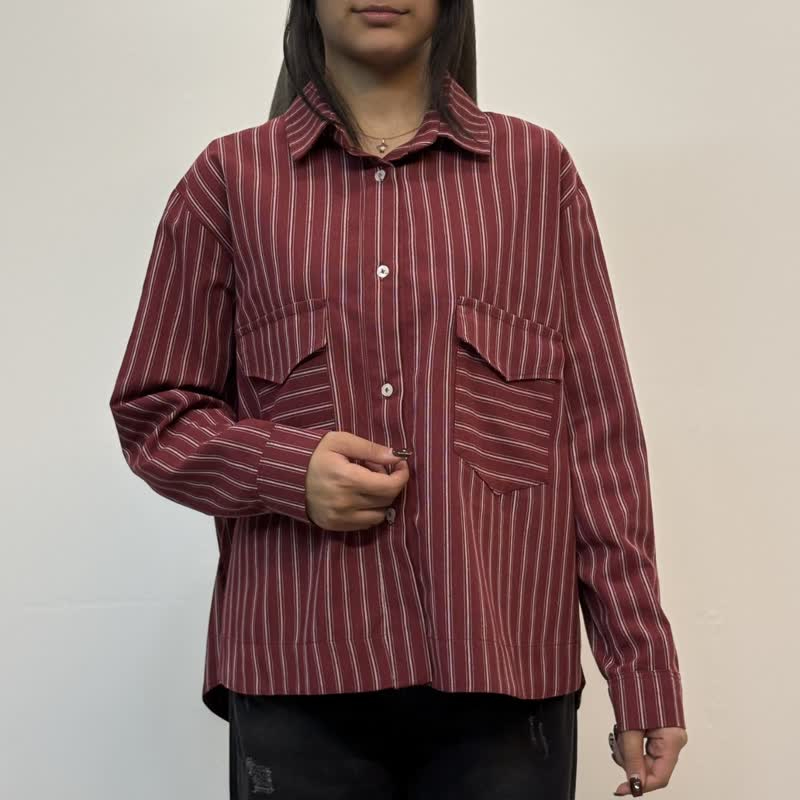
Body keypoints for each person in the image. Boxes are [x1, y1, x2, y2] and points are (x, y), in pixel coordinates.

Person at [109, 1, 689, 797]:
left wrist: (641, 663)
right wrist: (286, 469)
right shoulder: (229, 182)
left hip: (504, 671)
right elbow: (155, 410)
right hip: (296, 673)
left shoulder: (535, 174)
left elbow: (597, 434)